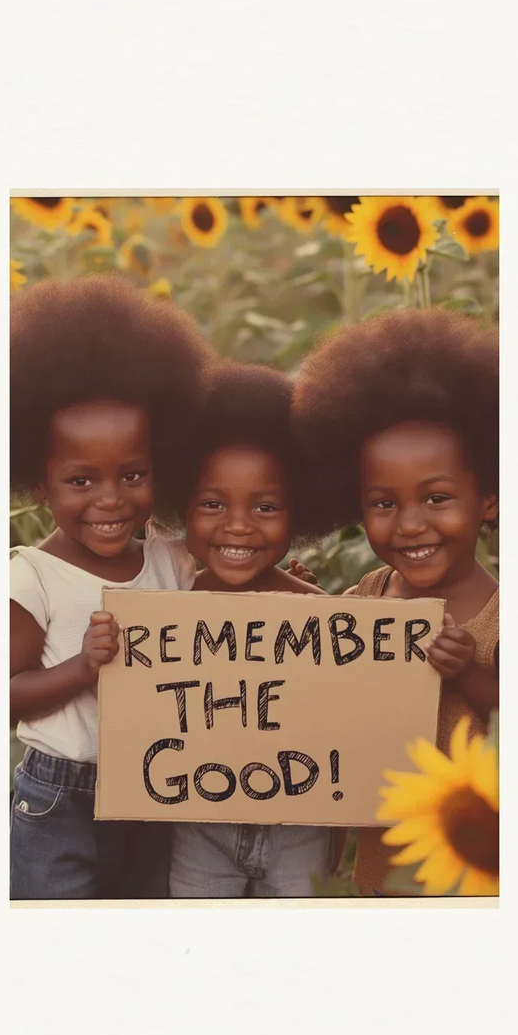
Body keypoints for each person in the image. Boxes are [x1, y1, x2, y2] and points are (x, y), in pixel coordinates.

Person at [8, 275, 210, 898]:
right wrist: (82, 667)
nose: (110, 499)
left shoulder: (169, 563)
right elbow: (5, 694)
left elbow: (235, 599)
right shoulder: (32, 575)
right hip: (57, 800)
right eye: (80, 481)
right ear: (39, 482)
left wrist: (287, 589)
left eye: (132, 474)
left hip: (157, 787)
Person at [294, 309, 499, 895]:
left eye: (436, 498)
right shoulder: (370, 595)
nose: (410, 525)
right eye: (383, 504)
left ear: (487, 499)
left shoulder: (503, 619)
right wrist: (300, 599)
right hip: (382, 869)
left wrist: (467, 677)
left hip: (476, 871)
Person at [164, 362, 333, 898]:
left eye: (265, 507)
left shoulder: (319, 613)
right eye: (213, 504)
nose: (238, 525)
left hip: (298, 822)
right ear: (181, 508)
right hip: (198, 821)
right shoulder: (166, 609)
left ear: (299, 512)